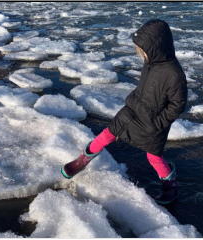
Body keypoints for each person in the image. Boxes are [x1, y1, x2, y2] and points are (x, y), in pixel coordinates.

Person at [61, 19, 187, 204]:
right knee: (106, 135)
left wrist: (158, 123)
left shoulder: (174, 74)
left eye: (143, 50)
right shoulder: (151, 62)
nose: (141, 54)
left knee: (153, 157)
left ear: (156, 47)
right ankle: (83, 160)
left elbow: (178, 105)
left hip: (153, 121)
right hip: (132, 111)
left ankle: (170, 183)